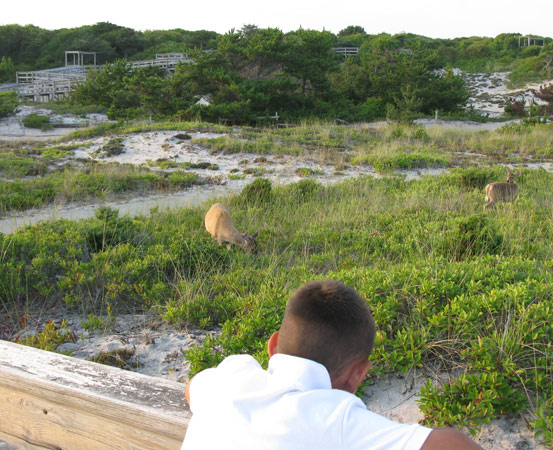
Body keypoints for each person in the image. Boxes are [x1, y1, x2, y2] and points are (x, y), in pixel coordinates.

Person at [181, 279, 483, 449]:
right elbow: (454, 445)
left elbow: (191, 389)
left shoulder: (232, 375)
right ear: (357, 375)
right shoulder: (337, 422)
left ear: (273, 345)